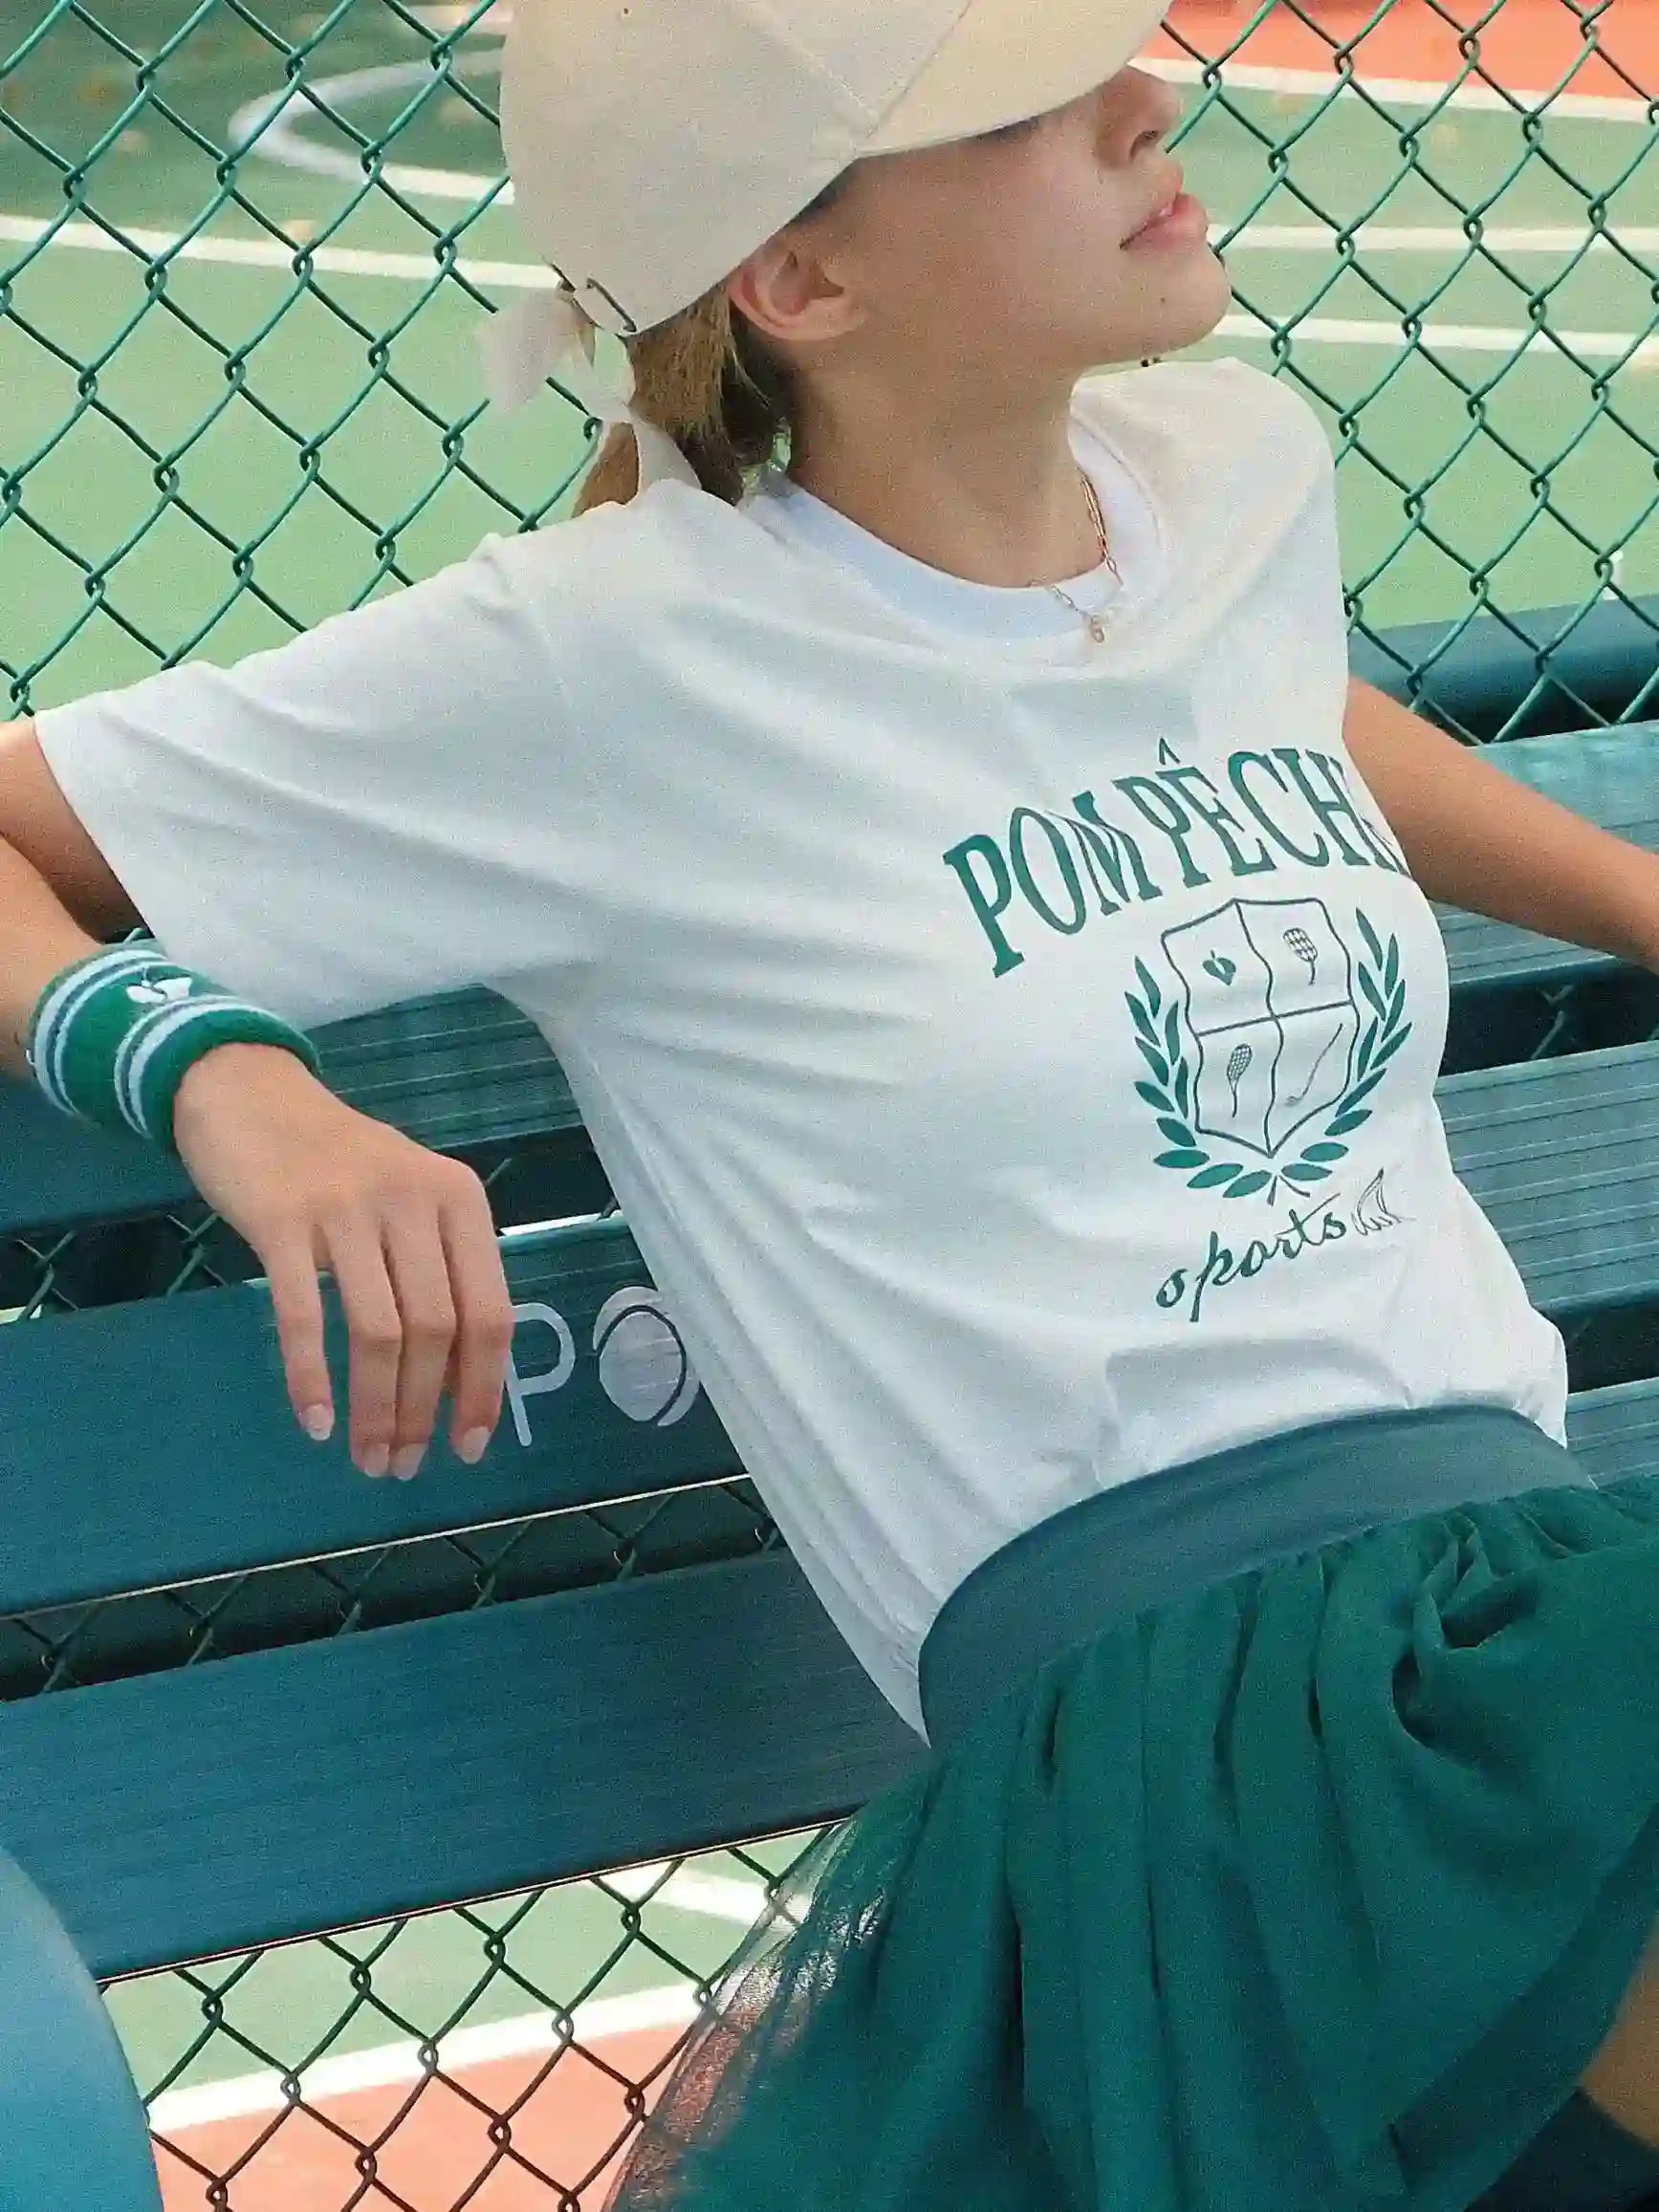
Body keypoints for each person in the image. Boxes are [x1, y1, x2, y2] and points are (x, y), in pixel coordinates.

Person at [4, 0, 1659, 2204]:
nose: (1147, 100)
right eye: (1028, 110)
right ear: (797, 280)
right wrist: (223, 1072)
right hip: (1201, 1740)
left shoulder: (1229, 483)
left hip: (1517, 1629)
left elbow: (1258, 703)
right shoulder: (611, 658)